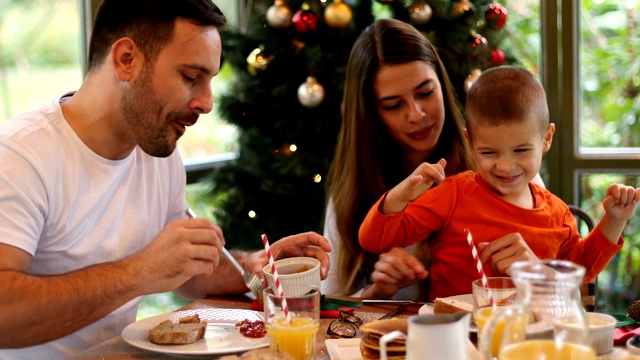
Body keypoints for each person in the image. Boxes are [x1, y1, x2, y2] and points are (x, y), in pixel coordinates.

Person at [0, 1, 330, 358]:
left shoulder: (158, 152)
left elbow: (188, 273)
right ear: (127, 59)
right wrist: (138, 273)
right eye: (191, 77)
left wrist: (252, 266)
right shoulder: (19, 156)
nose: (206, 103)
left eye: (209, 81)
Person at [359, 65, 639, 300]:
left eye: (520, 150)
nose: (505, 166)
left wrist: (614, 220)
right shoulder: (454, 194)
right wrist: (400, 195)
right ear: (470, 142)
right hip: (458, 340)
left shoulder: (556, 213)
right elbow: (372, 239)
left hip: (528, 341)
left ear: (546, 139)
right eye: (489, 152)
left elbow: (580, 271)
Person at [321, 18, 543, 300]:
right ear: (371, 114)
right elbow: (332, 306)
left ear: (442, 84)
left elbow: (567, 298)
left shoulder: (505, 164)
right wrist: (378, 291)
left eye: (425, 93)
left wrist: (537, 271)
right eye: (393, 105)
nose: (416, 114)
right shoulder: (353, 190)